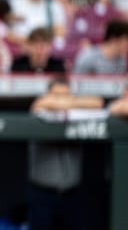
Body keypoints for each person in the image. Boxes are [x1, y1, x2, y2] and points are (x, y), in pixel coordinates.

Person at [27, 75, 104, 230]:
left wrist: (67, 104)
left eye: (66, 95)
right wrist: (68, 104)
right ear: (48, 94)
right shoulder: (40, 111)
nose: (62, 101)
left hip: (72, 195)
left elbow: (99, 102)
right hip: (43, 194)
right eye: (57, 96)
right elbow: (40, 104)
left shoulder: (77, 115)